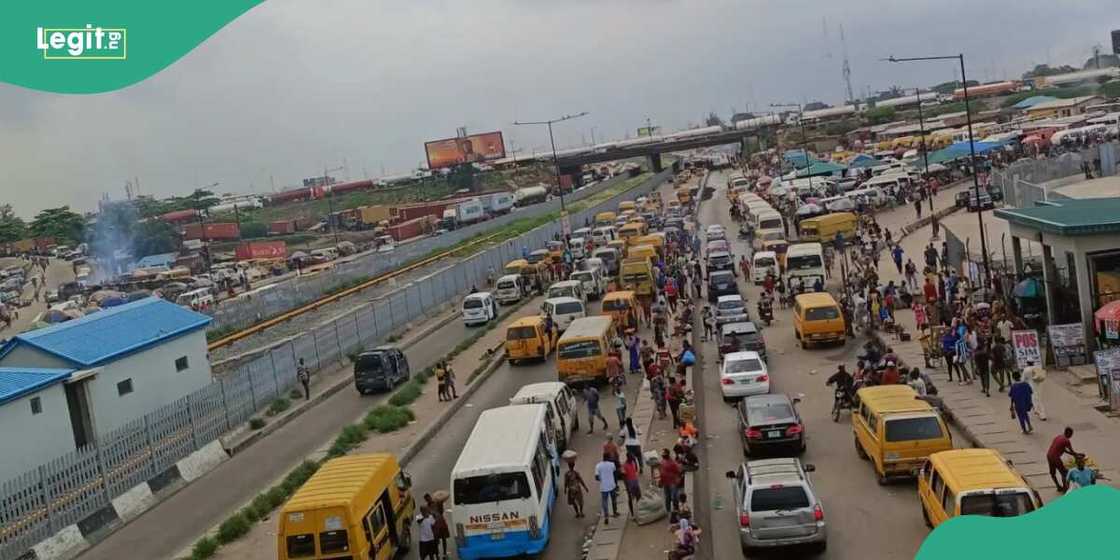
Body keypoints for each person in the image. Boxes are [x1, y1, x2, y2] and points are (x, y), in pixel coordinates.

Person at [1047, 427, 1083, 493]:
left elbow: (1063, 449)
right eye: (1071, 434)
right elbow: (1071, 450)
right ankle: (1064, 488)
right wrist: (1077, 456)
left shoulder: (1059, 437)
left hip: (1049, 455)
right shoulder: (1066, 440)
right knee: (1064, 473)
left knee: (1052, 473)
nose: (1071, 436)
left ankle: (1058, 486)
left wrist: (1075, 454)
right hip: (1056, 458)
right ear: (1068, 433)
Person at [594, 453, 619, 524]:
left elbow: (596, 477)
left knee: (605, 502)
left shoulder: (598, 465)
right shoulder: (612, 464)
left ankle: (606, 516)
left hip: (603, 487)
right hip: (612, 485)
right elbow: (615, 473)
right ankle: (615, 512)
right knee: (613, 499)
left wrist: (602, 479)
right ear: (608, 458)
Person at [658, 448, 683, 516]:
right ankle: (668, 510)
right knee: (667, 497)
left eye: (663, 453)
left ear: (666, 454)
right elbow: (661, 473)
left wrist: (678, 479)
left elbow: (678, 471)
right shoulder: (662, 462)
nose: (662, 455)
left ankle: (676, 510)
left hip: (672, 483)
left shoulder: (672, 463)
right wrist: (661, 481)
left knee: (674, 497)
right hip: (666, 482)